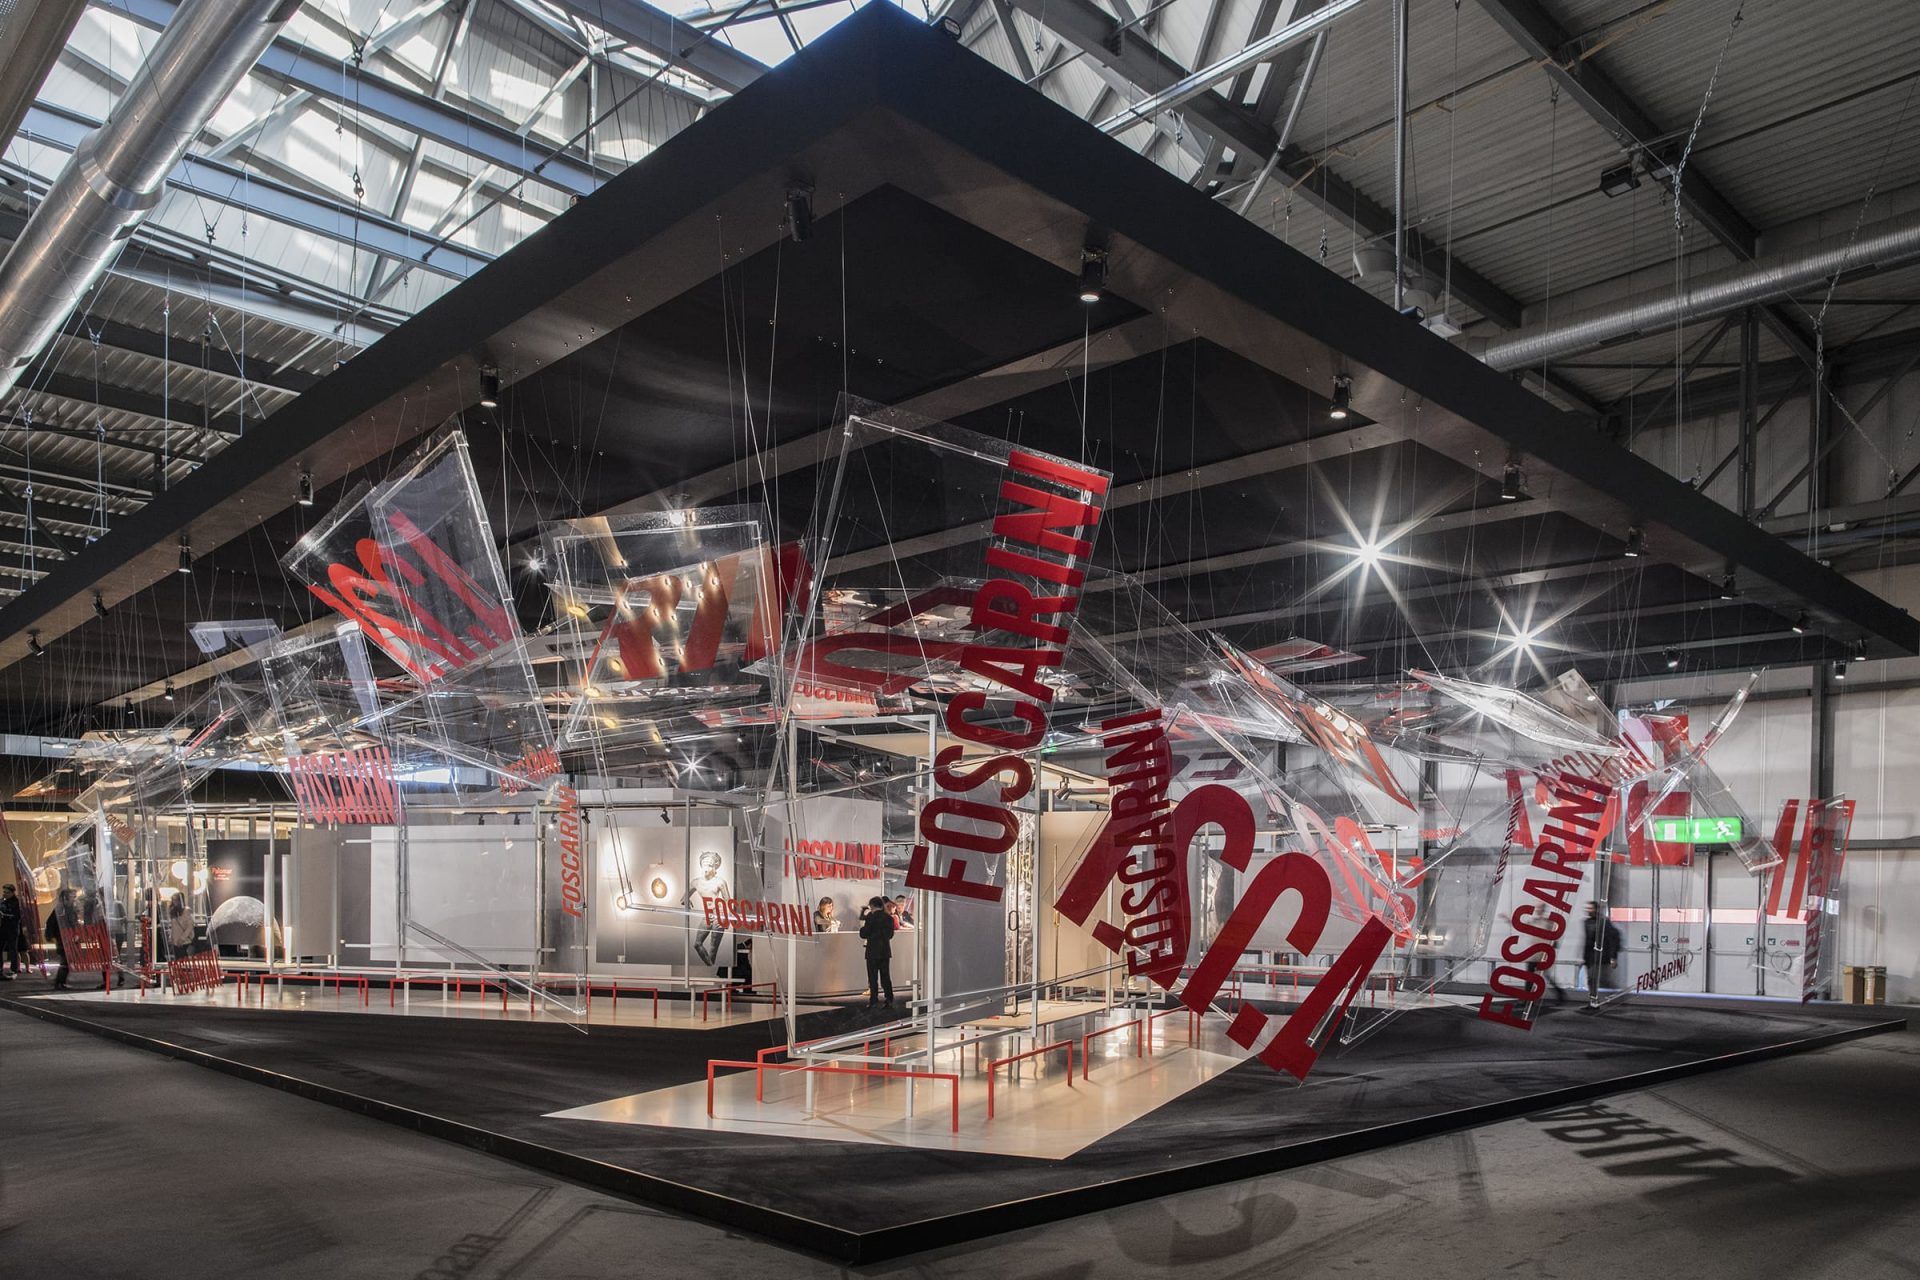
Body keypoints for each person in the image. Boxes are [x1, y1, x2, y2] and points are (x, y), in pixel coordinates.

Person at [858, 895, 895, 1008]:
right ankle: (889, 998)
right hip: (884, 951)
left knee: (873, 977)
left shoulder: (871, 917)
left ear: (872, 906)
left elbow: (864, 933)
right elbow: (890, 935)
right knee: (885, 976)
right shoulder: (889, 918)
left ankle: (873, 999)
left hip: (872, 951)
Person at [1582, 901, 1622, 993]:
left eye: (1590, 908)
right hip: (1590, 957)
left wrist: (1613, 957)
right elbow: (1587, 941)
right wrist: (1584, 957)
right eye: (1588, 908)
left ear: (1596, 909)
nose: (1588, 910)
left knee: (1596, 979)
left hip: (1600, 955)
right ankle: (1593, 1000)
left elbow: (1613, 939)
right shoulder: (1586, 922)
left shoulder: (1603, 922)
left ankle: (1595, 999)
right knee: (1592, 979)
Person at [47, 887, 73, 990]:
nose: (73, 899)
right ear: (65, 898)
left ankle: (60, 982)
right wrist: (50, 936)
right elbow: (51, 923)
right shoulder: (60, 909)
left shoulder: (67, 909)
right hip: (62, 938)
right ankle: (59, 982)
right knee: (65, 961)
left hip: (66, 938)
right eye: (71, 897)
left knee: (66, 961)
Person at [0, 884, 22, 978]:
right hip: (2, 928)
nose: (5, 894)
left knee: (13, 950)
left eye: (7, 892)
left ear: (13, 892)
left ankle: (14, 969)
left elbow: (17, 916)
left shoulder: (16, 902)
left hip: (12, 929)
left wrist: (3, 914)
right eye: (4, 892)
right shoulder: (2, 900)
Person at [166, 894, 194, 960]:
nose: (174, 902)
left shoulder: (186, 911)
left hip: (184, 941)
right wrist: (171, 938)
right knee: (178, 960)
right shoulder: (173, 912)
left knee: (183, 960)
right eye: (173, 900)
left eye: (176, 900)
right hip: (175, 941)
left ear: (180, 901)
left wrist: (182, 938)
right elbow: (173, 927)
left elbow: (190, 926)